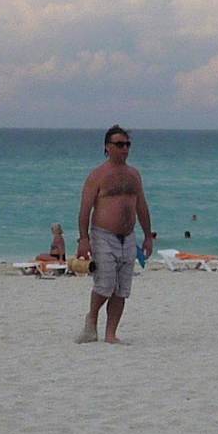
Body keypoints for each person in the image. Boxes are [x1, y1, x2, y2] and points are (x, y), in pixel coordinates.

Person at [77, 124, 153, 344]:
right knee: (105, 285)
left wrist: (148, 235)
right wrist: (84, 239)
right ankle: (92, 319)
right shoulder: (97, 176)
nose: (125, 149)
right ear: (107, 147)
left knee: (121, 289)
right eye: (120, 144)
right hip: (103, 235)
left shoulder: (134, 175)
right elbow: (85, 209)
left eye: (127, 144)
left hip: (128, 236)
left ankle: (111, 334)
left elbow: (141, 206)